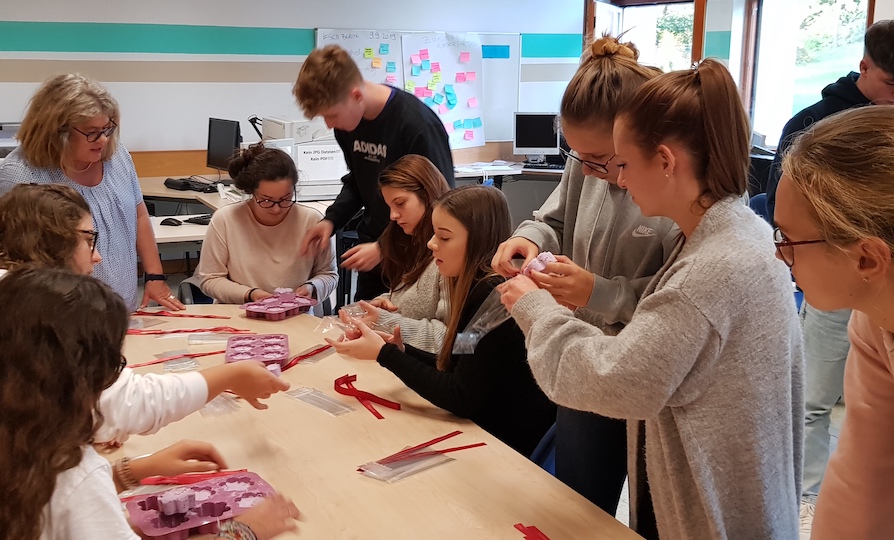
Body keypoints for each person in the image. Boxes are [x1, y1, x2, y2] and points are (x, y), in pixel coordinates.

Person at [499, 60, 802, 539]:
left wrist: (535, 309)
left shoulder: (709, 268)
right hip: (707, 482)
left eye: (622, 164)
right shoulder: (720, 236)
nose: (617, 181)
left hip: (715, 508)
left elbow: (616, 378)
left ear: (664, 161)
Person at [491, 35, 679, 522]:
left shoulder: (671, 188)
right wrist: (528, 239)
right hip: (585, 353)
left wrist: (601, 292)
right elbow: (552, 219)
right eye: (580, 159)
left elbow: (683, 294)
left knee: (653, 510)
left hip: (649, 368)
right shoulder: (586, 165)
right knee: (576, 500)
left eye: (602, 159)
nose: (593, 171)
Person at [0, 266, 300, 540]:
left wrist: (126, 473)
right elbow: (72, 497)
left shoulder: (22, 444)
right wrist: (242, 532)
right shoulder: (72, 473)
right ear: (84, 379)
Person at [0, 183, 289, 445]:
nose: (96, 255)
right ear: (53, 241)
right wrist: (230, 375)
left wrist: (108, 438)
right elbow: (128, 403)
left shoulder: (15, 294)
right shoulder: (49, 310)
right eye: (89, 239)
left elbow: (82, 408)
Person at [764, 20, 894, 524]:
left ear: (865, 258)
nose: (780, 255)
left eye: (790, 240)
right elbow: (861, 476)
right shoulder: (871, 320)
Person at [328, 186, 556, 456]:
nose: (431, 243)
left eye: (444, 237)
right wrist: (402, 351)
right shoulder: (476, 289)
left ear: (477, 241)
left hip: (501, 448)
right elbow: (460, 361)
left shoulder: (495, 297)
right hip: (483, 432)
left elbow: (459, 396)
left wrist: (384, 354)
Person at [0, 73, 183, 311]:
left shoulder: (117, 156)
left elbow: (138, 215)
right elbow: (21, 258)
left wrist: (155, 276)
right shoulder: (21, 174)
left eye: (107, 129)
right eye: (92, 132)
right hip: (62, 311)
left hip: (119, 304)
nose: (104, 140)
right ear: (57, 131)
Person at [293, 44, 455, 301]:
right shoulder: (347, 126)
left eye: (332, 114)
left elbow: (442, 203)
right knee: (362, 326)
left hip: (417, 256)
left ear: (356, 95)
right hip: (374, 249)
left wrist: (386, 248)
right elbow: (358, 180)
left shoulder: (418, 126)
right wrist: (331, 221)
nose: (329, 124)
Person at [194, 143, 337, 306]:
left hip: (294, 317)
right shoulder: (226, 220)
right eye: (266, 200)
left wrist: (311, 287)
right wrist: (250, 294)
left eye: (285, 199)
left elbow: (328, 275)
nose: (276, 209)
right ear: (251, 191)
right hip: (238, 315)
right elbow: (210, 279)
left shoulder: (311, 221)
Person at [351, 154, 451, 353]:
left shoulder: (449, 256)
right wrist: (385, 304)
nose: (393, 215)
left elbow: (453, 340)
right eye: (389, 206)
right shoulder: (409, 240)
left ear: (427, 194)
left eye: (400, 203)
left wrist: (385, 320)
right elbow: (409, 298)